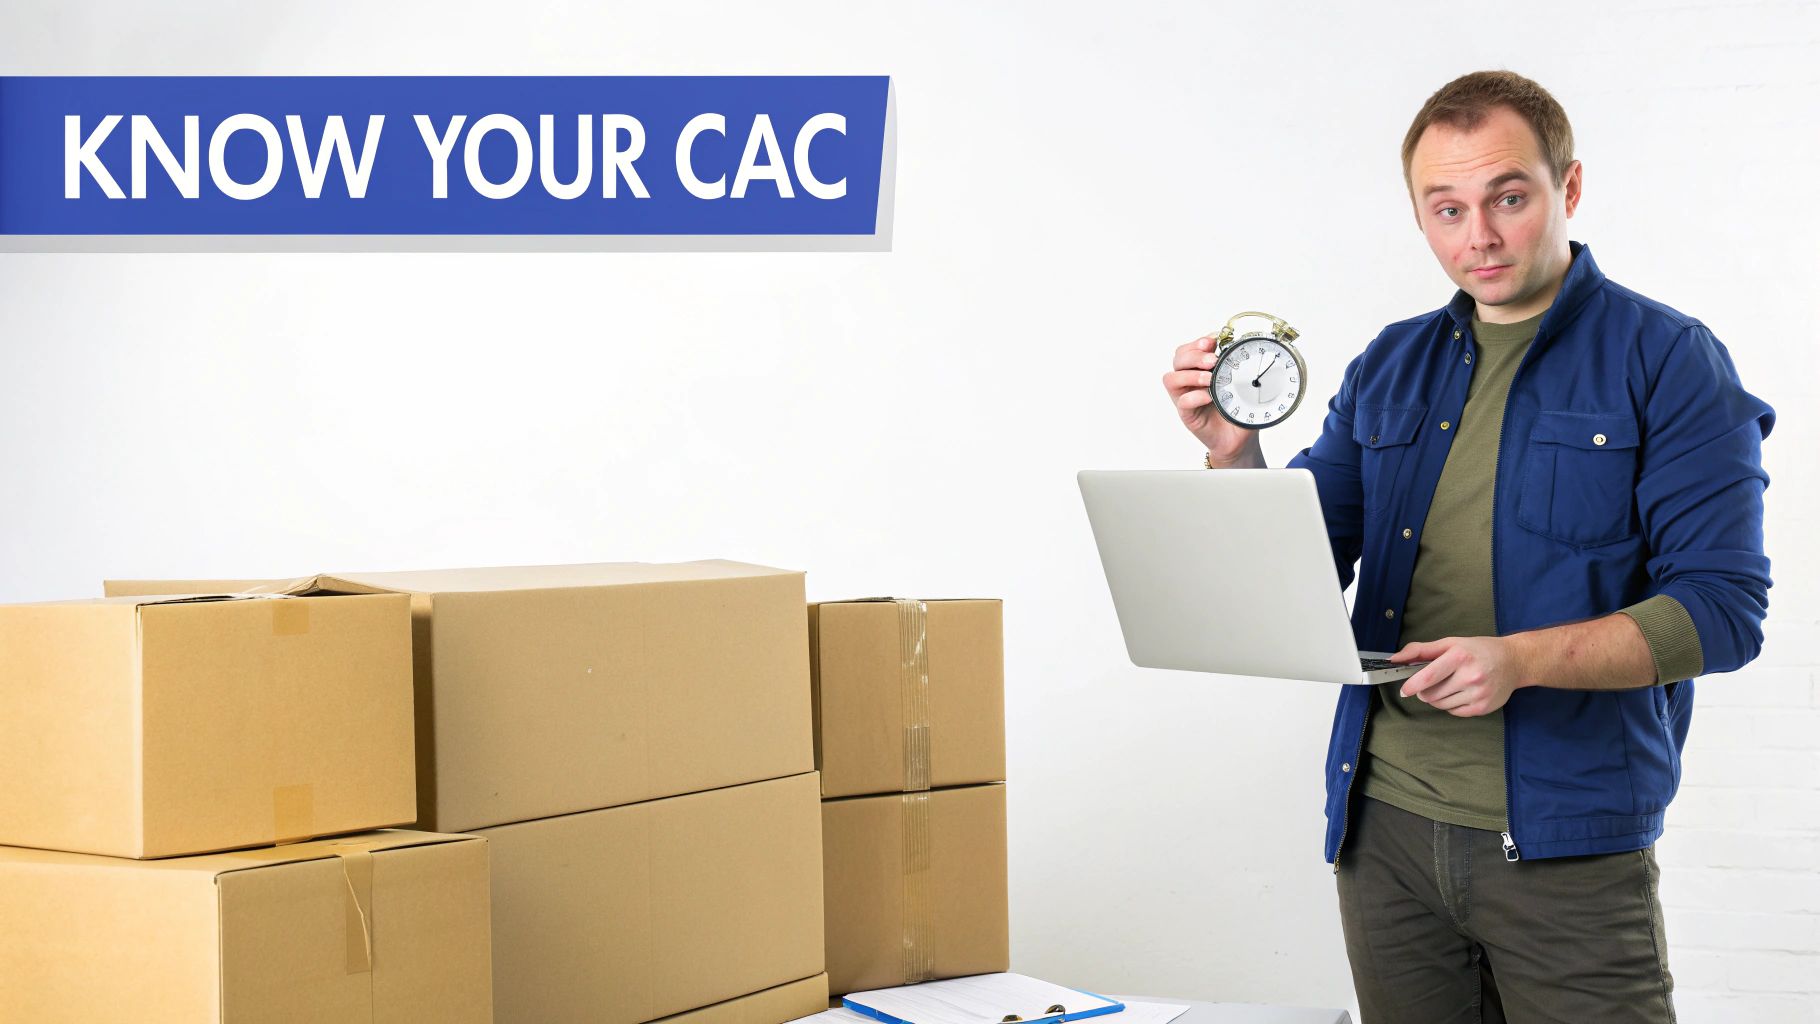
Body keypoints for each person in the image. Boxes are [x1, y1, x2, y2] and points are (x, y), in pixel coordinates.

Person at [1162, 70, 1773, 1023]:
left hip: (1566, 849)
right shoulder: (1392, 363)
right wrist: (1236, 459)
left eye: (1509, 198)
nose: (1477, 237)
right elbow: (1300, 568)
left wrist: (1520, 661)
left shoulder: (1669, 359)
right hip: (1386, 838)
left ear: (1567, 190)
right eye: (1446, 209)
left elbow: (1724, 612)